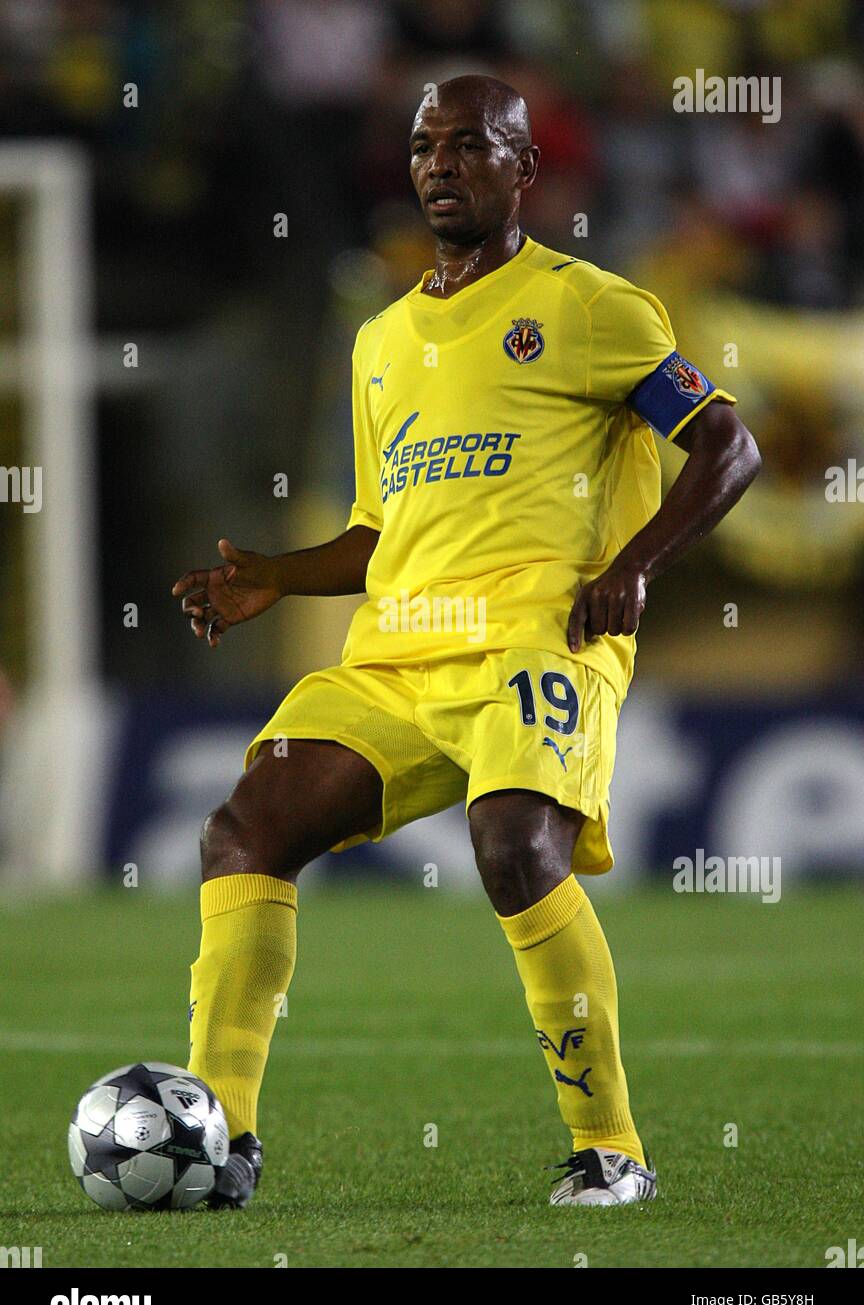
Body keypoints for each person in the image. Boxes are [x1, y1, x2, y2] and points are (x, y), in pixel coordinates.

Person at [172, 75, 761, 1208]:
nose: (441, 163)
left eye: (471, 145)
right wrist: (276, 581)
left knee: (512, 844)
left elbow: (728, 447)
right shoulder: (381, 342)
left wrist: (632, 566)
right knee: (244, 829)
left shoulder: (596, 307)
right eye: (424, 145)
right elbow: (383, 527)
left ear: (523, 170)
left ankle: (609, 1149)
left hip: (539, 641)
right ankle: (219, 1140)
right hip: (395, 658)